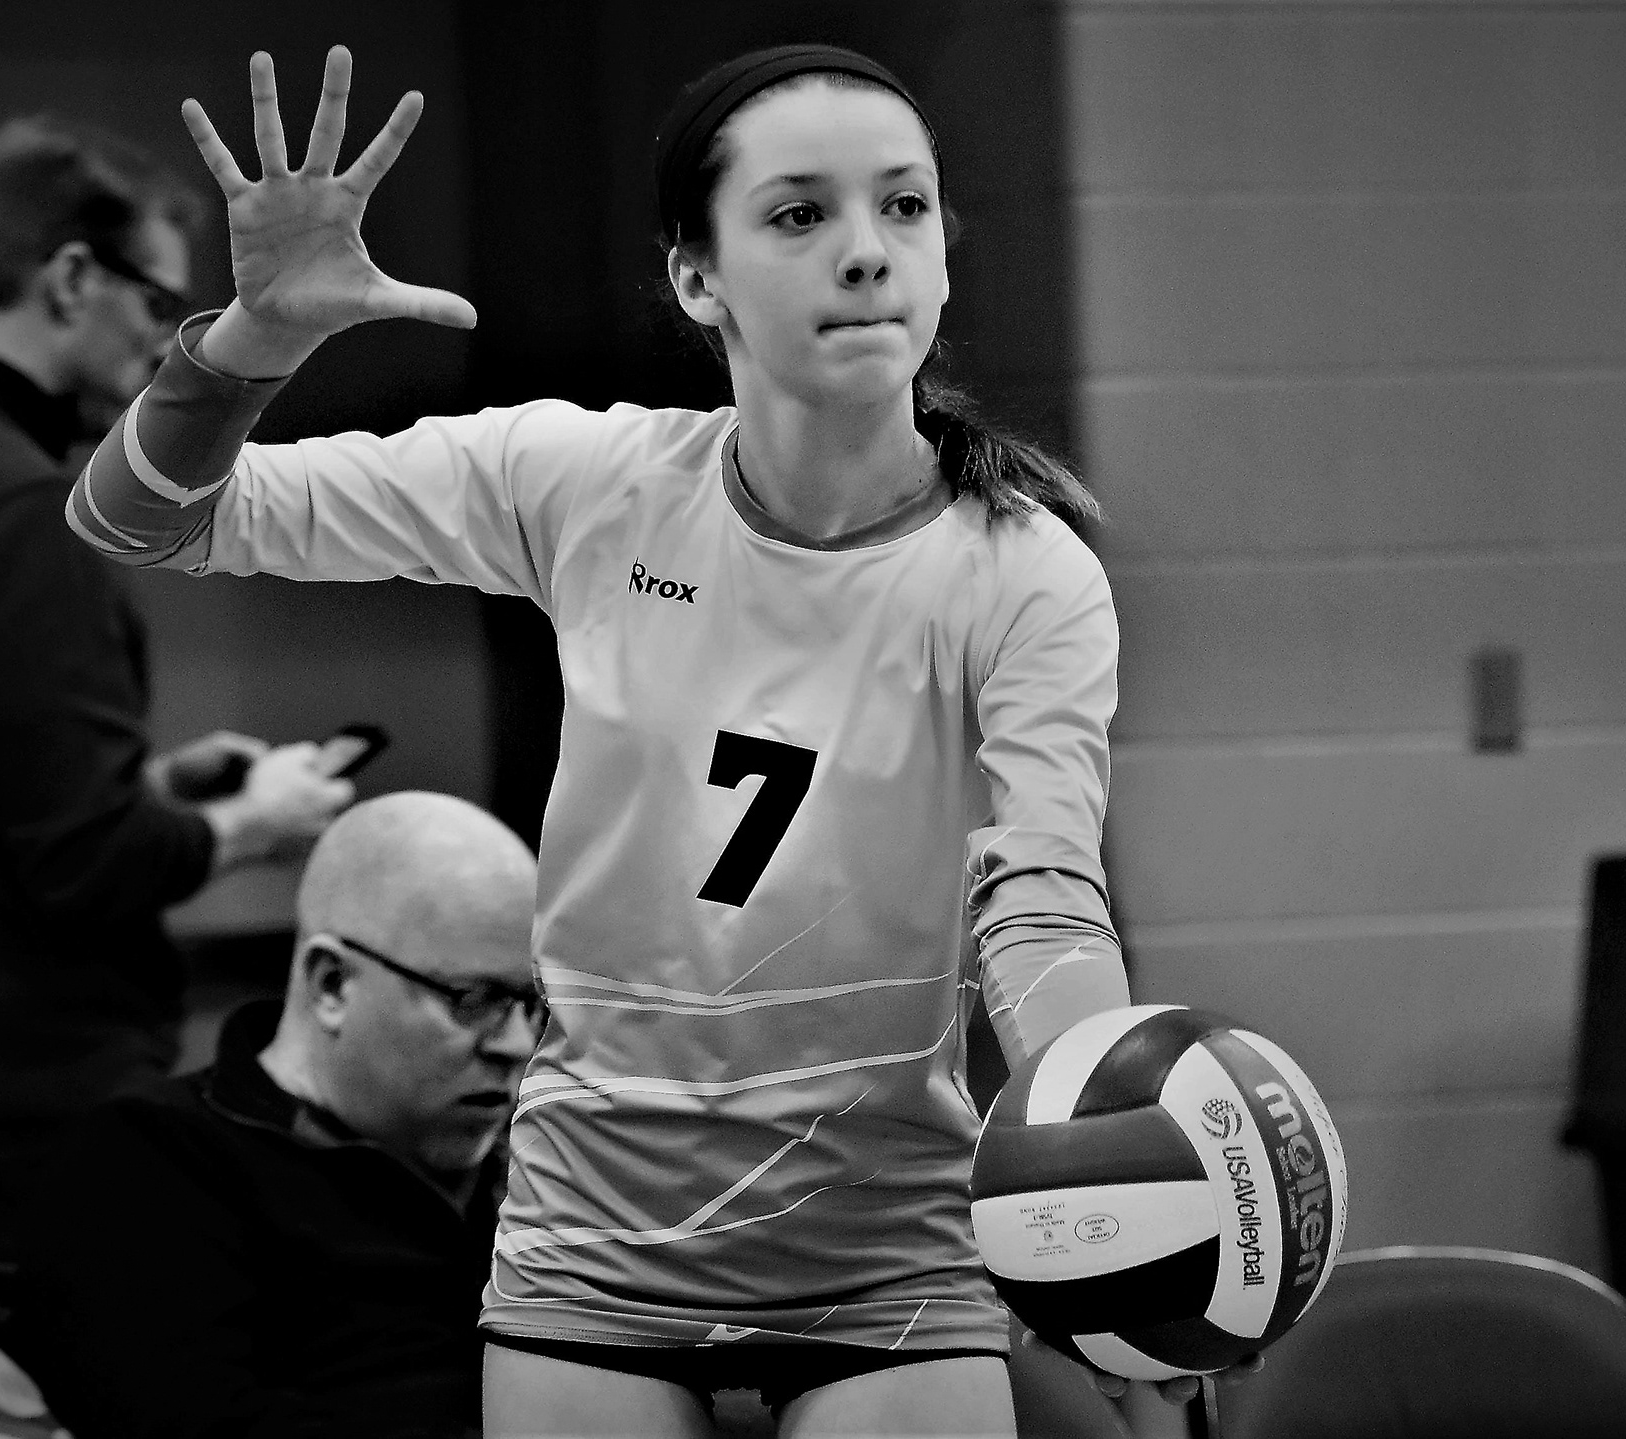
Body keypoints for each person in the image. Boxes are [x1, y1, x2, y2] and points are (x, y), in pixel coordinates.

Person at [64, 43, 1223, 1438]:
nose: (867, 250)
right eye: (801, 213)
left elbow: (1040, 905)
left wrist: (1104, 1167)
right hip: (596, 1241)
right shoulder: (588, 483)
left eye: (904, 205)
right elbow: (143, 516)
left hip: (884, 1241)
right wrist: (254, 339)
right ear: (695, 278)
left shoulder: (1023, 572)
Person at [0, 115, 355, 1267]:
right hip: (31, 1113)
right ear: (70, 280)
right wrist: (255, 819)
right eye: (159, 304)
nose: (166, 343)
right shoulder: (24, 516)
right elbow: (88, 862)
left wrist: (146, 785)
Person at [5, 791, 545, 1439]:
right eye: (475, 998)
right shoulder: (152, 1163)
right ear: (332, 984)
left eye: (531, 1003)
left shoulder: (541, 1167)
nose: (518, 1043)